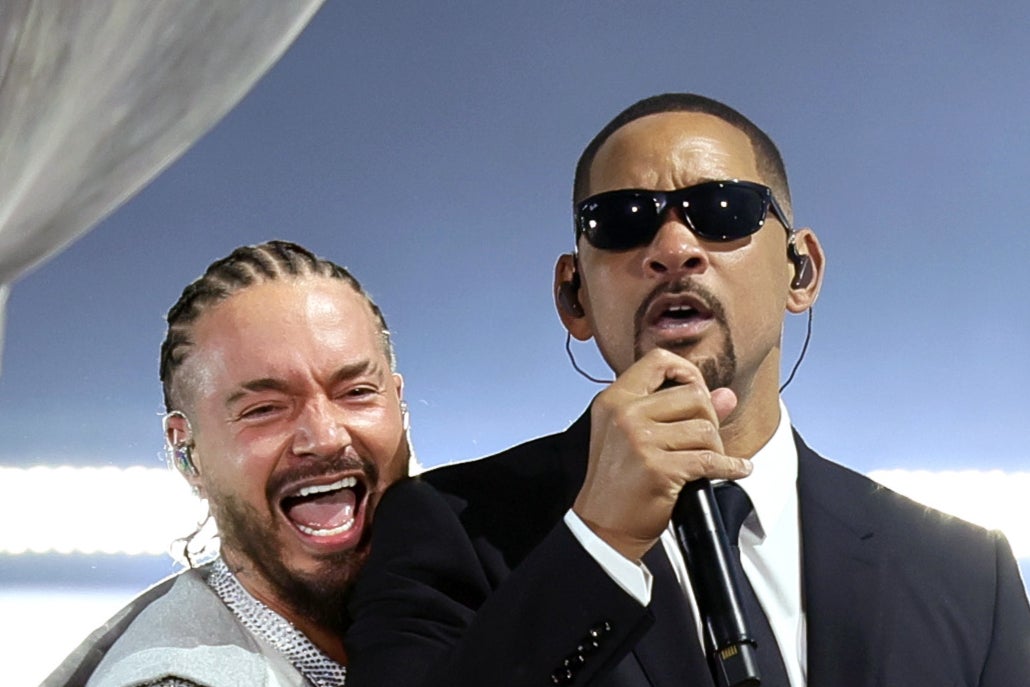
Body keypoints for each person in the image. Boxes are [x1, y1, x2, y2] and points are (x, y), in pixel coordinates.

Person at [345, 94, 1030, 686]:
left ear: (801, 270)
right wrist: (599, 543)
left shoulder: (969, 575)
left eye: (723, 209)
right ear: (572, 296)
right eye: (621, 220)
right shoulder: (445, 529)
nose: (674, 247)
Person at [45, 240, 410, 687]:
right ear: (187, 451)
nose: (326, 437)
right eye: (265, 409)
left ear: (399, 404)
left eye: (356, 392)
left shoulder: (478, 613)